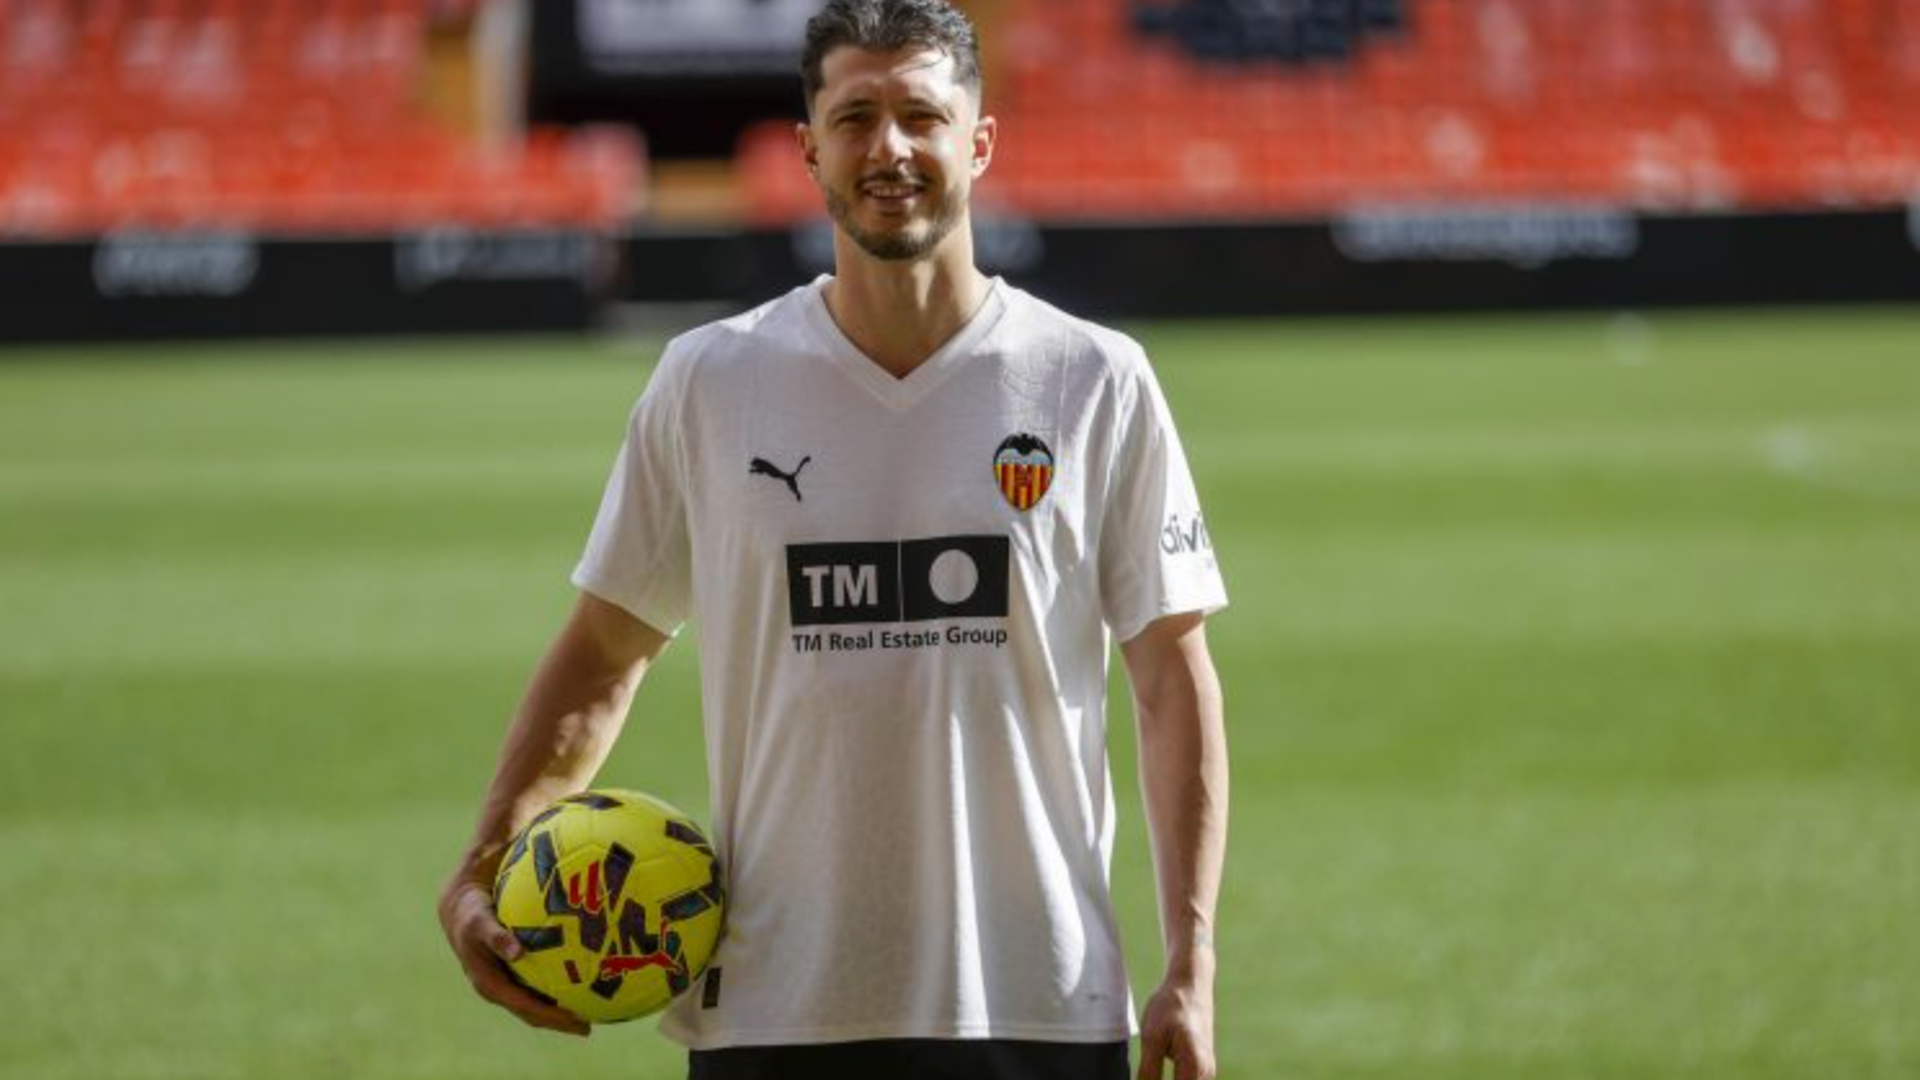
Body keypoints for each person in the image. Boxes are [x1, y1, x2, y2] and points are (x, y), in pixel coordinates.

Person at [437, 1, 1229, 1078]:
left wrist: (1193, 960)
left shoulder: (1095, 378)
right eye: (855, 117)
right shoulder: (712, 381)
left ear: (979, 141)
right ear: (808, 149)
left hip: (1037, 1005)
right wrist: (486, 861)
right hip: (775, 1013)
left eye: (921, 114)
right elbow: (603, 653)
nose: (890, 147)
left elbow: (1170, 681)